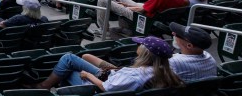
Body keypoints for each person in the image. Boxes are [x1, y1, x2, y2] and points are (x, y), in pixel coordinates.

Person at [35, 36, 183, 91]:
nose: (138, 45)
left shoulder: (134, 74)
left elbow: (105, 88)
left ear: (145, 52)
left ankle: (43, 87)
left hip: (100, 85)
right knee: (77, 57)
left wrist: (88, 75)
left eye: (141, 44)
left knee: (69, 64)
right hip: (114, 76)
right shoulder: (167, 71)